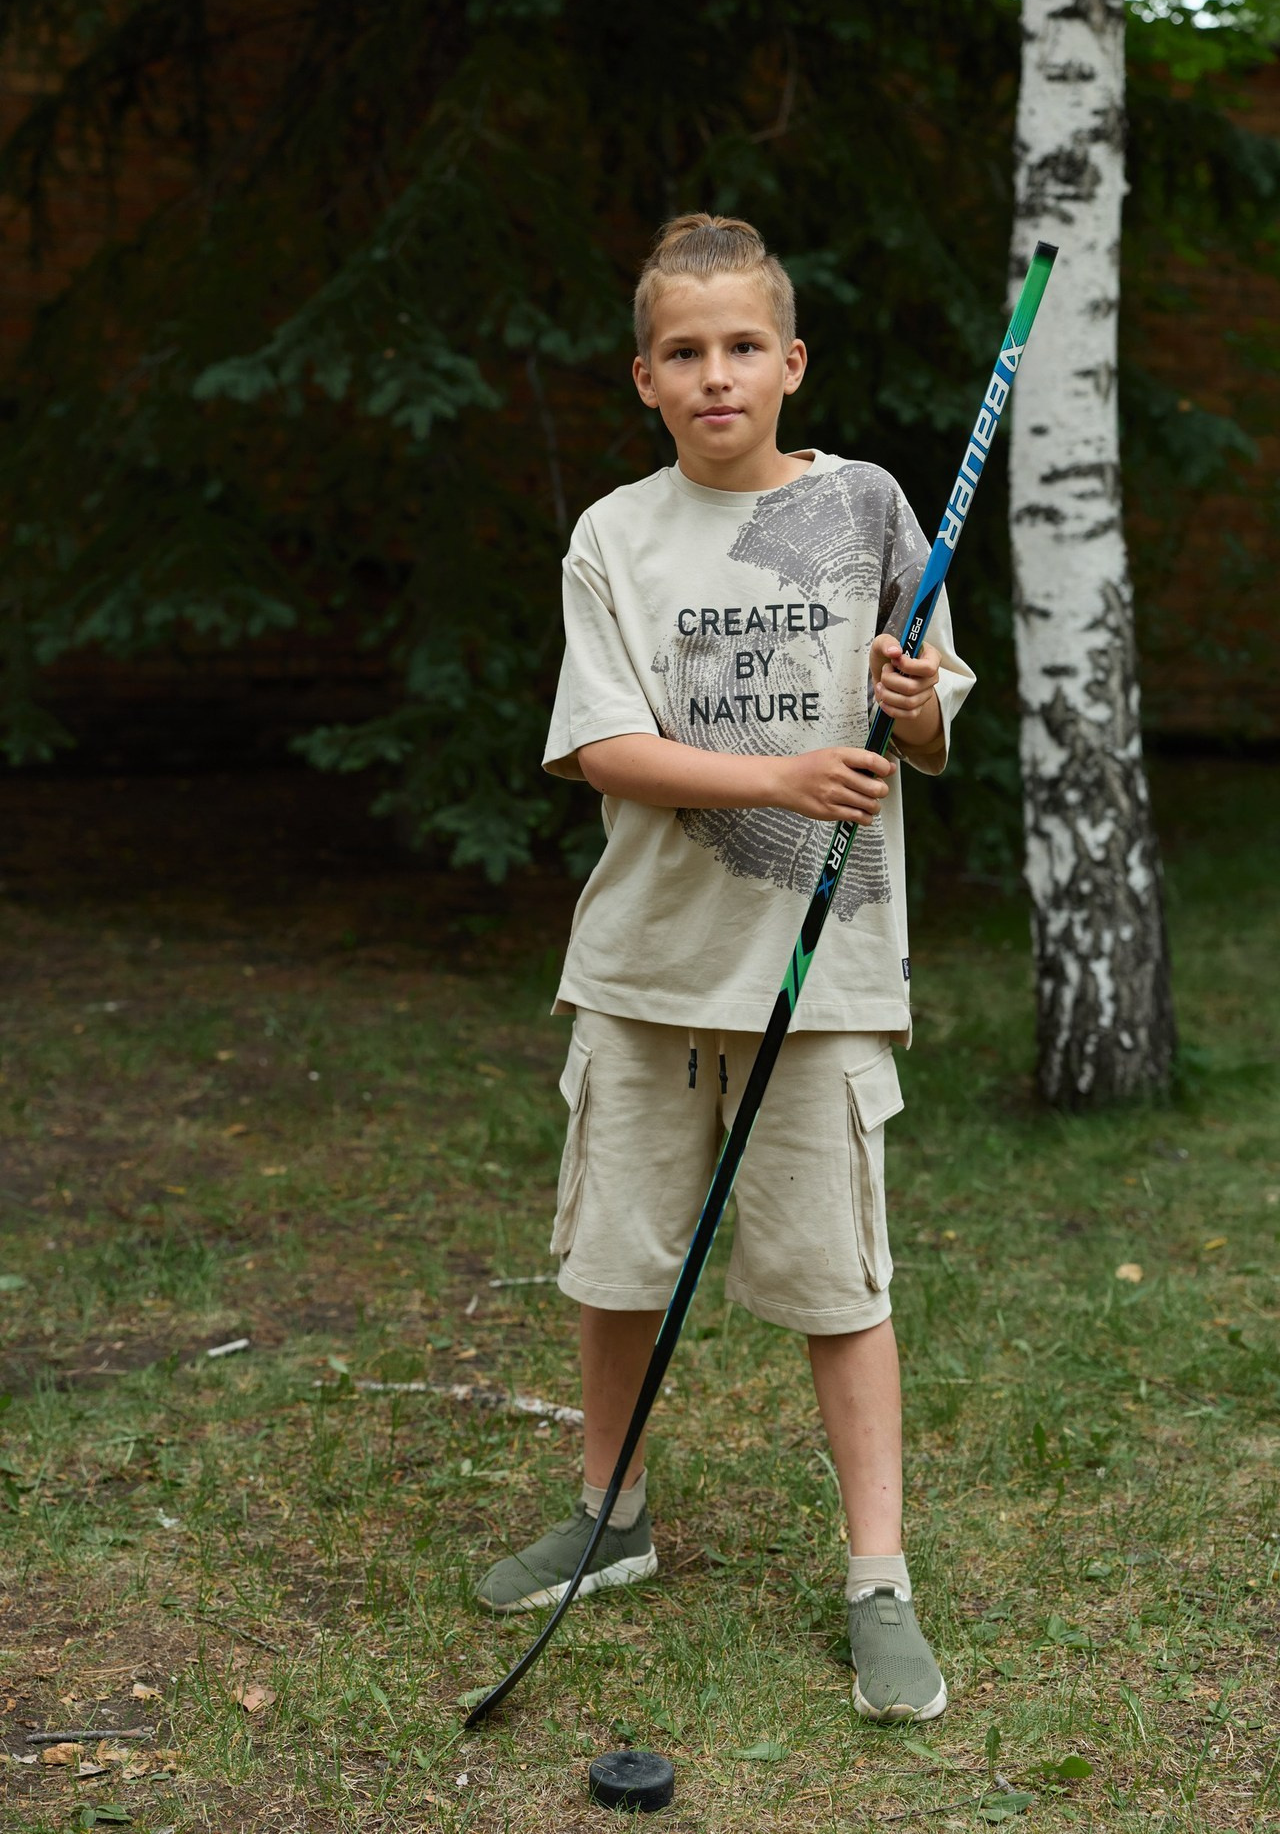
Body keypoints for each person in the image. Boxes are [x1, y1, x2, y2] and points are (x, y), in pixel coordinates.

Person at [475, 213, 974, 1722]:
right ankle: (611, 1517)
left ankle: (878, 1580)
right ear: (643, 376)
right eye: (684, 353)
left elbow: (938, 717)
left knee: (838, 1283)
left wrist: (914, 703)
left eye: (742, 346)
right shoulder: (615, 537)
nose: (715, 374)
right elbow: (595, 744)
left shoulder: (871, 509)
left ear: (791, 363)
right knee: (616, 1264)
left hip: (817, 984)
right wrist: (775, 783)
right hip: (644, 970)